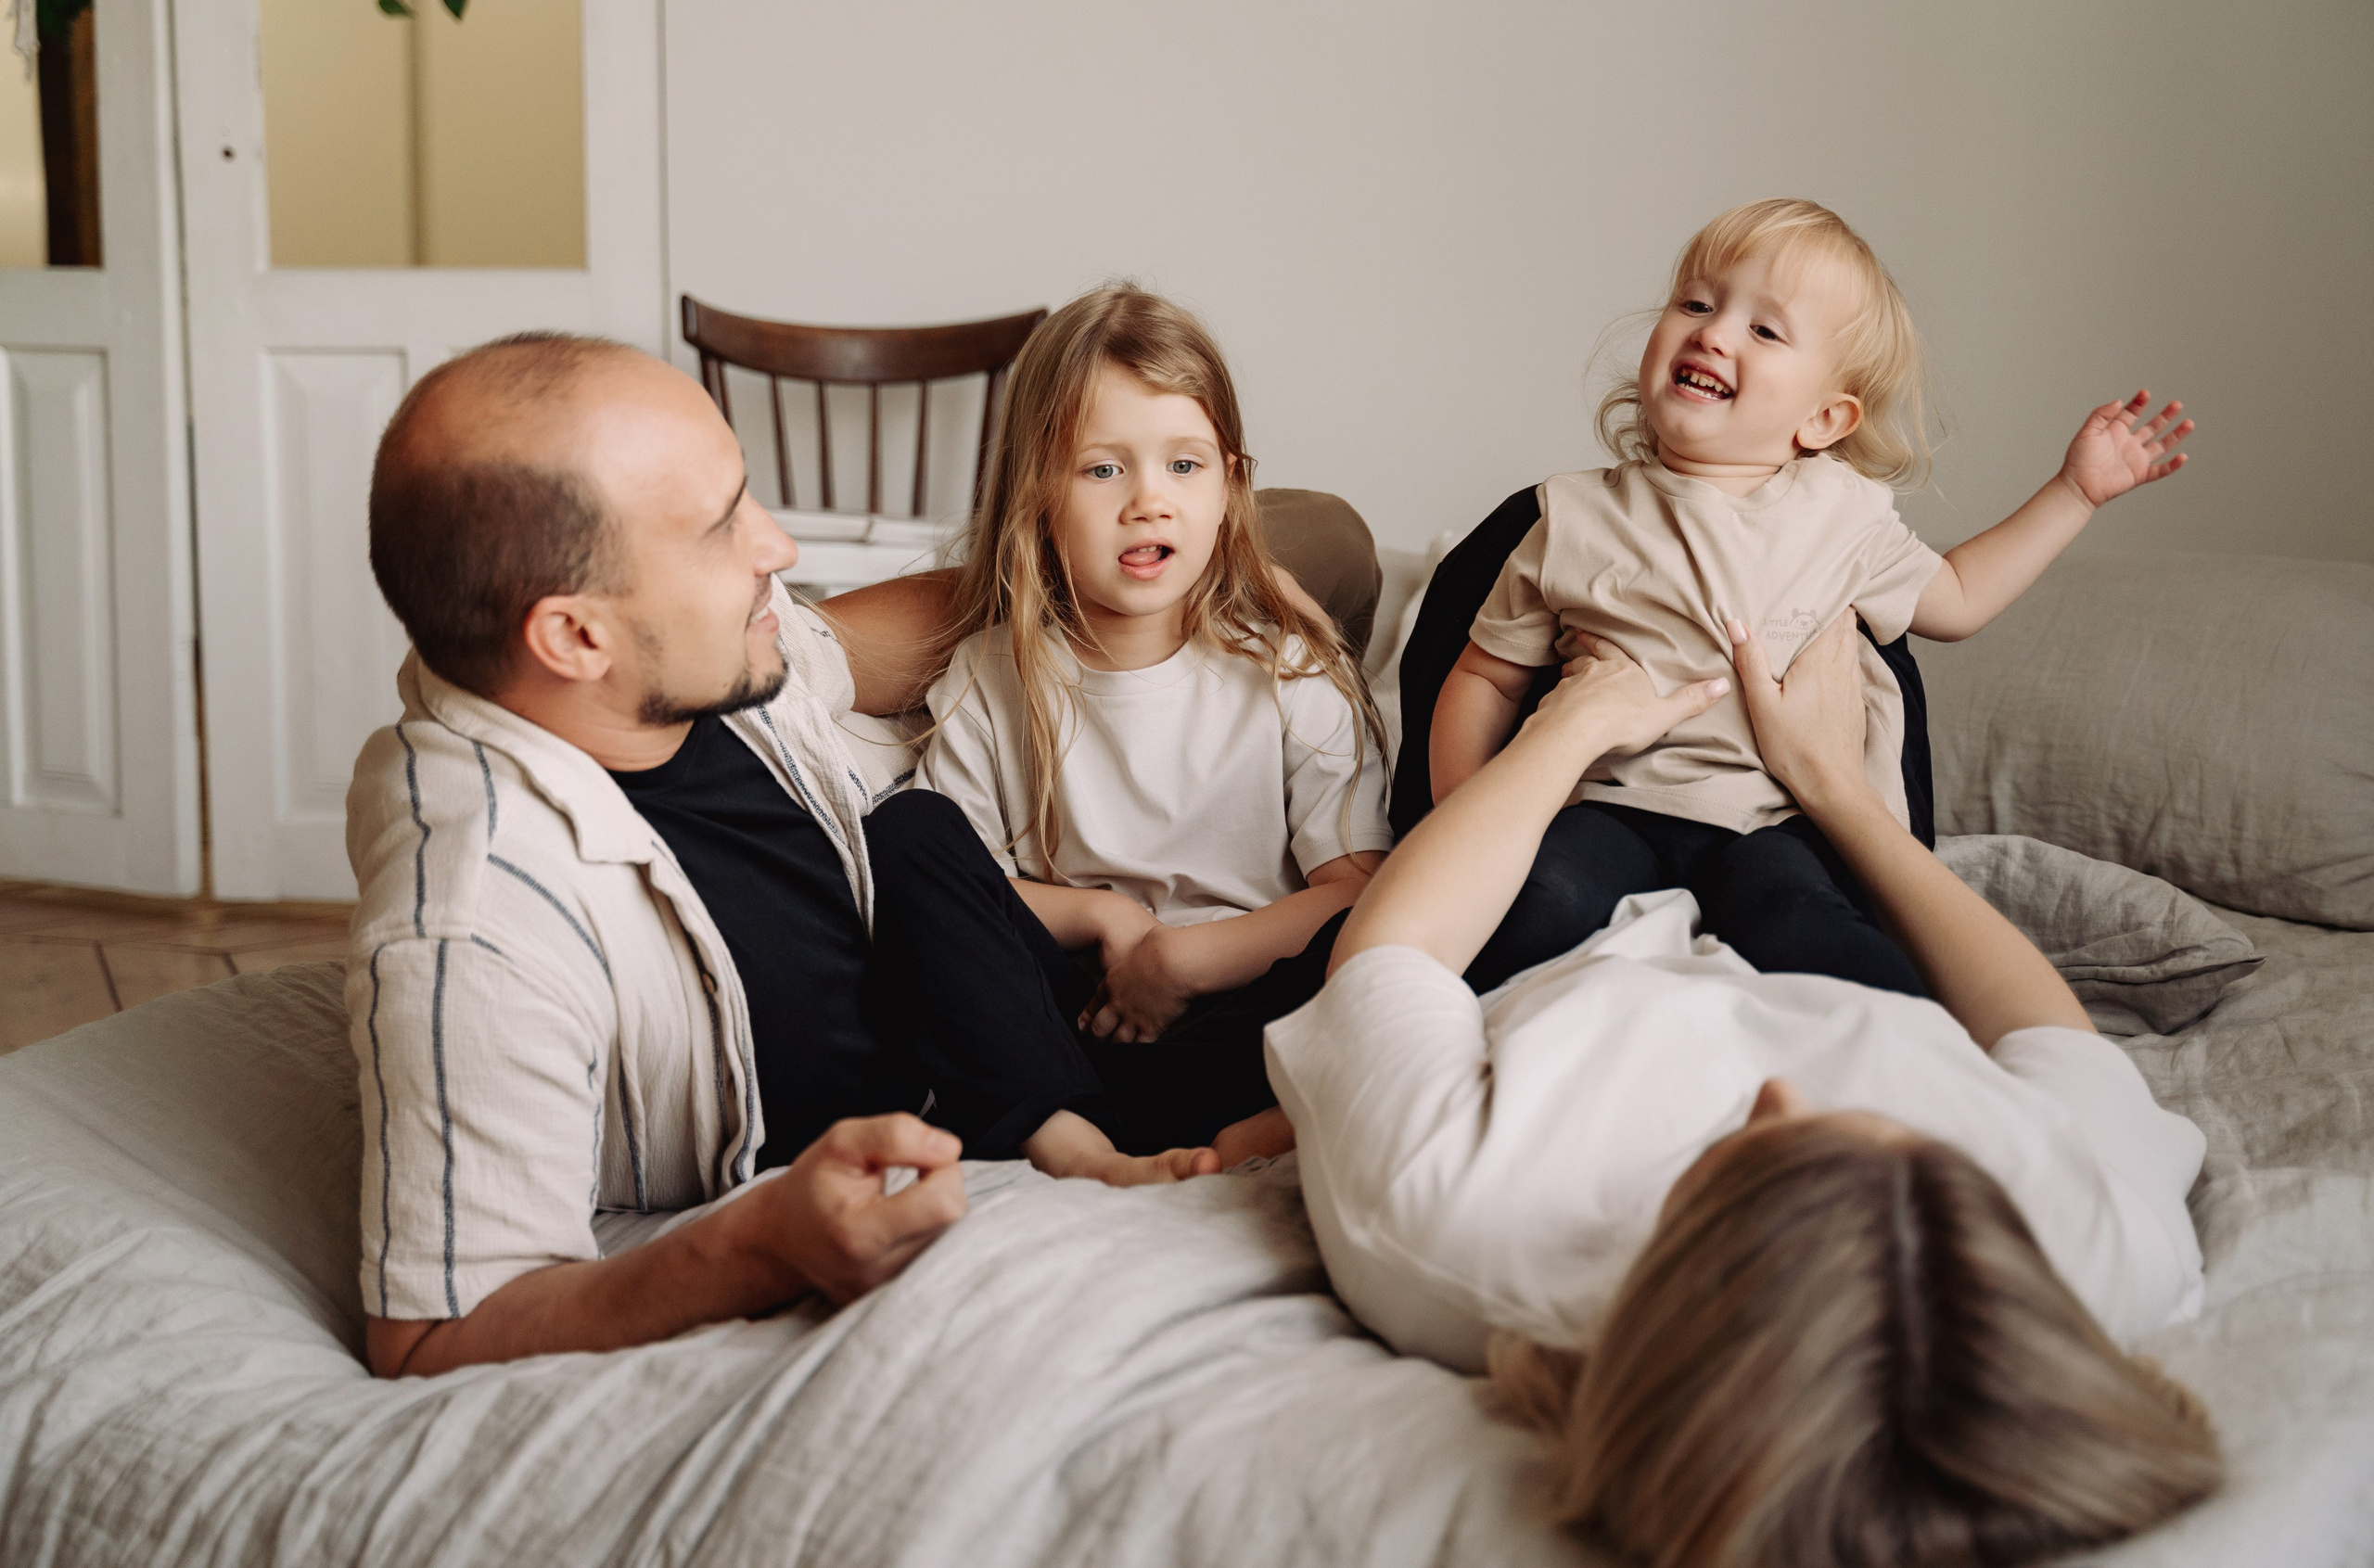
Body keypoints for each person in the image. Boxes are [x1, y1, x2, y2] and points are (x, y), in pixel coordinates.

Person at [352, 331, 1280, 1380]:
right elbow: (427, 1337)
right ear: (574, 638)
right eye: (721, 529)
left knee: (1390, 933)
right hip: (989, 1117)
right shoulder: (477, 912)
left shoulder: (703, 659)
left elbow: (857, 637)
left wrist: (1177, 574)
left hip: (1002, 1020)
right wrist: (752, 1247)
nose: (780, 548)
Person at [1270, 612, 2221, 1565]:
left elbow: (1395, 951)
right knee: (1812, 612)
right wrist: (1836, 786)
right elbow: (2047, 1035)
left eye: (1740, 1163)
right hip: (1834, 920)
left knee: (1519, 595)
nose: (1778, 1091)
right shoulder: (2088, 1258)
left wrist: (1575, 726)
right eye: (1906, 1133)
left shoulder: (1447, 1223)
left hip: (1577, 930)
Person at [1428, 198, 2196, 997]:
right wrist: (1464, 823)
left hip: (1777, 820)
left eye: (1765, 330)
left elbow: (1960, 597)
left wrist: (2073, 493)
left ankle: (1895, 1056)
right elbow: (1487, 678)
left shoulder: (1843, 514)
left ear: (1826, 418)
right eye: (1697, 303)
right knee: (1533, 907)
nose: (1713, 334)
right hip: (1612, 809)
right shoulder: (1570, 514)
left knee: (1810, 931)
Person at [916, 285, 1391, 1162]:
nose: (1149, 501)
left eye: (1184, 465)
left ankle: (1207, 1119)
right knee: (905, 838)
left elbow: (1356, 890)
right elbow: (968, 894)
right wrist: (1104, 919)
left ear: (1231, 487)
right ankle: (1074, 1133)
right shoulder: (990, 676)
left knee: (1390, 952)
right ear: (1037, 494)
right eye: (1103, 470)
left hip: (1237, 1006)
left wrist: (1181, 963)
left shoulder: (1287, 669)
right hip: (1074, 1020)